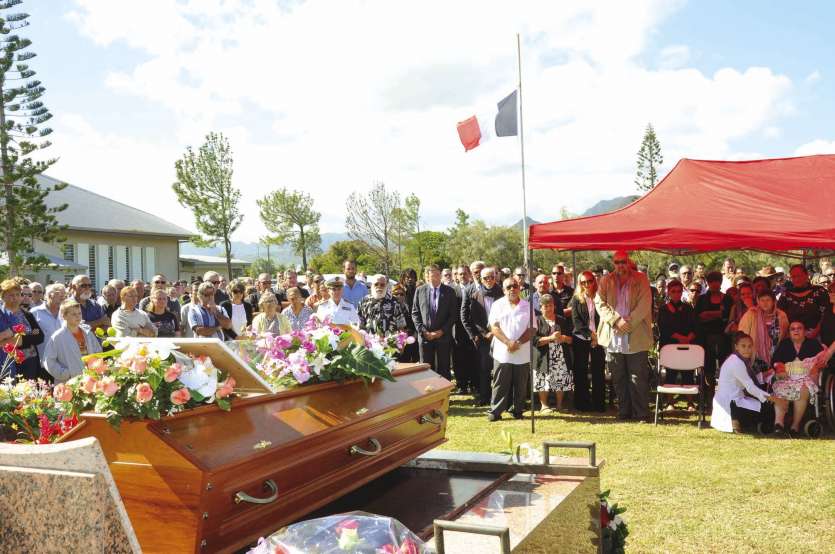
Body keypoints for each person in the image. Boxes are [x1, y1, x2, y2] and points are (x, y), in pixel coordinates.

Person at [595, 250, 653, 421]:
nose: (621, 265)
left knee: (638, 376)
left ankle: (641, 413)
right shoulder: (606, 280)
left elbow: (645, 303)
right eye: (618, 262)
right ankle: (624, 412)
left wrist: (629, 322)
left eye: (624, 262)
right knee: (619, 377)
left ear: (629, 262)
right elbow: (600, 303)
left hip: (636, 333)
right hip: (613, 334)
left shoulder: (641, 279)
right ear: (614, 264)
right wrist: (616, 320)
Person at [711, 332, 777, 433]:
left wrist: (763, 375)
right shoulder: (737, 362)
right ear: (736, 347)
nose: (747, 349)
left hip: (730, 399)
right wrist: (772, 399)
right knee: (770, 410)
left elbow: (745, 380)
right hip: (732, 403)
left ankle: (737, 420)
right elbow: (750, 387)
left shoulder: (736, 359)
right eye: (743, 346)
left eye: (750, 346)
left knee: (765, 407)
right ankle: (736, 419)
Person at [487, 277, 532, 421]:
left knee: (521, 383)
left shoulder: (527, 306)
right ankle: (496, 411)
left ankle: (517, 410)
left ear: (519, 288)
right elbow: (494, 327)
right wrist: (508, 342)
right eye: (508, 287)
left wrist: (517, 342)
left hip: (522, 350)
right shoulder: (497, 305)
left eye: (515, 286)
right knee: (500, 382)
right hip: (503, 351)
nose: (512, 289)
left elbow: (532, 329)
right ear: (503, 290)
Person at [770, 320, 826, 435]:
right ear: (789, 332)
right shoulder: (785, 344)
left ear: (805, 331)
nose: (796, 331)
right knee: (780, 391)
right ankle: (778, 424)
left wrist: (815, 368)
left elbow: (823, 361)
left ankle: (794, 426)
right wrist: (780, 368)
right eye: (792, 329)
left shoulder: (813, 344)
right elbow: (776, 361)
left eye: (799, 328)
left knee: (802, 391)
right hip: (788, 378)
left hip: (807, 379)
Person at [461, 267, 504, 405]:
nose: (489, 280)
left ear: (495, 277)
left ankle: (502, 398)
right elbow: (474, 319)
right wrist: (484, 334)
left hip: (502, 337)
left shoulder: (503, 293)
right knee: (484, 369)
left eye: (492, 277)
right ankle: (485, 397)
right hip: (484, 338)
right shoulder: (475, 295)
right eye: (486, 278)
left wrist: (497, 332)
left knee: (501, 369)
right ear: (481, 279)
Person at [657, 280, 698, 410]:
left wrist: (689, 337)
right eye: (673, 291)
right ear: (668, 292)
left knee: (688, 373)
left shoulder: (688, 308)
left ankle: (690, 403)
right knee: (671, 373)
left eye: (679, 291)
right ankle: (670, 402)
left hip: (688, 345)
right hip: (670, 345)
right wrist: (680, 338)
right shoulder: (663, 309)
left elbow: (695, 326)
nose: (676, 294)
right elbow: (664, 328)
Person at [569, 271, 606, 412]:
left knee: (598, 372)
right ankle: (582, 404)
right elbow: (577, 323)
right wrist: (592, 336)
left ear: (594, 281)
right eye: (583, 282)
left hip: (599, 338)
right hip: (581, 338)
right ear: (579, 283)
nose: (587, 285)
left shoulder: (600, 297)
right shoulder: (576, 299)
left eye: (589, 281)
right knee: (580, 372)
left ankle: (599, 404)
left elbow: (603, 317)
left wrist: (598, 337)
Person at [412, 265, 456, 380]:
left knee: (444, 367)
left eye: (438, 274)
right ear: (426, 276)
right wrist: (423, 331)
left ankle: (445, 394)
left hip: (443, 336)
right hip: (425, 337)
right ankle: (428, 395)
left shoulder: (450, 292)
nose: (436, 277)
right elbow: (415, 313)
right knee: (426, 367)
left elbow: (453, 315)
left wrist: (441, 331)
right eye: (432, 275)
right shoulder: (420, 290)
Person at [44, 300, 103, 383]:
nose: (78, 317)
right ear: (64, 316)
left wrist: (96, 367)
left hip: (90, 378)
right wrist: (65, 374)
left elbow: (98, 351)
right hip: (70, 382)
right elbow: (48, 361)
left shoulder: (88, 333)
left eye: (79, 313)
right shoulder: (57, 337)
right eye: (74, 314)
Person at [533, 294, 573, 413]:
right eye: (545, 306)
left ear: (554, 306)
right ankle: (544, 406)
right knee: (542, 379)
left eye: (550, 305)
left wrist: (564, 338)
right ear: (541, 307)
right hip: (543, 355)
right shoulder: (536, 321)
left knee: (560, 379)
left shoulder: (562, 320)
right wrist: (550, 338)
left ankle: (559, 405)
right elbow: (534, 341)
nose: (548, 308)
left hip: (559, 355)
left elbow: (571, 339)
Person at [0, 279, 45, 381]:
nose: (15, 298)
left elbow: (39, 337)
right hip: (7, 362)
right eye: (11, 295)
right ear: (3, 296)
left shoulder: (27, 314)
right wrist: (27, 338)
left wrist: (20, 340)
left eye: (17, 294)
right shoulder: (2, 315)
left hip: (30, 362)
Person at [738, 290, 788, 374]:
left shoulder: (781, 315)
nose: (765, 303)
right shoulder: (751, 314)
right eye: (762, 300)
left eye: (768, 300)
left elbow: (786, 335)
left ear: (773, 301)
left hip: (777, 356)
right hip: (755, 356)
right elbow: (741, 335)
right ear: (758, 301)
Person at [695, 271, 732, 384]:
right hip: (705, 338)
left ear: (721, 282)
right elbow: (699, 317)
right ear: (708, 283)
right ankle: (708, 391)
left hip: (724, 338)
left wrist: (709, 315)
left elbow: (728, 318)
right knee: (708, 366)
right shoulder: (701, 299)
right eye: (711, 282)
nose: (715, 284)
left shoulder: (727, 299)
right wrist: (718, 314)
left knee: (725, 364)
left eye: (717, 281)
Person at [777, 264, 829, 339]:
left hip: (815, 337)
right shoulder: (785, 295)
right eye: (794, 277)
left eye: (799, 275)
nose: (797, 279)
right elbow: (779, 316)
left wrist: (817, 330)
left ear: (806, 275)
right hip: (792, 339)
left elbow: (826, 314)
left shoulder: (819, 292)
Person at [31, 283, 67, 364]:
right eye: (60, 295)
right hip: (42, 362)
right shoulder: (34, 312)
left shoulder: (66, 313)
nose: (63, 298)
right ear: (50, 295)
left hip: (63, 362)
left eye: (65, 295)